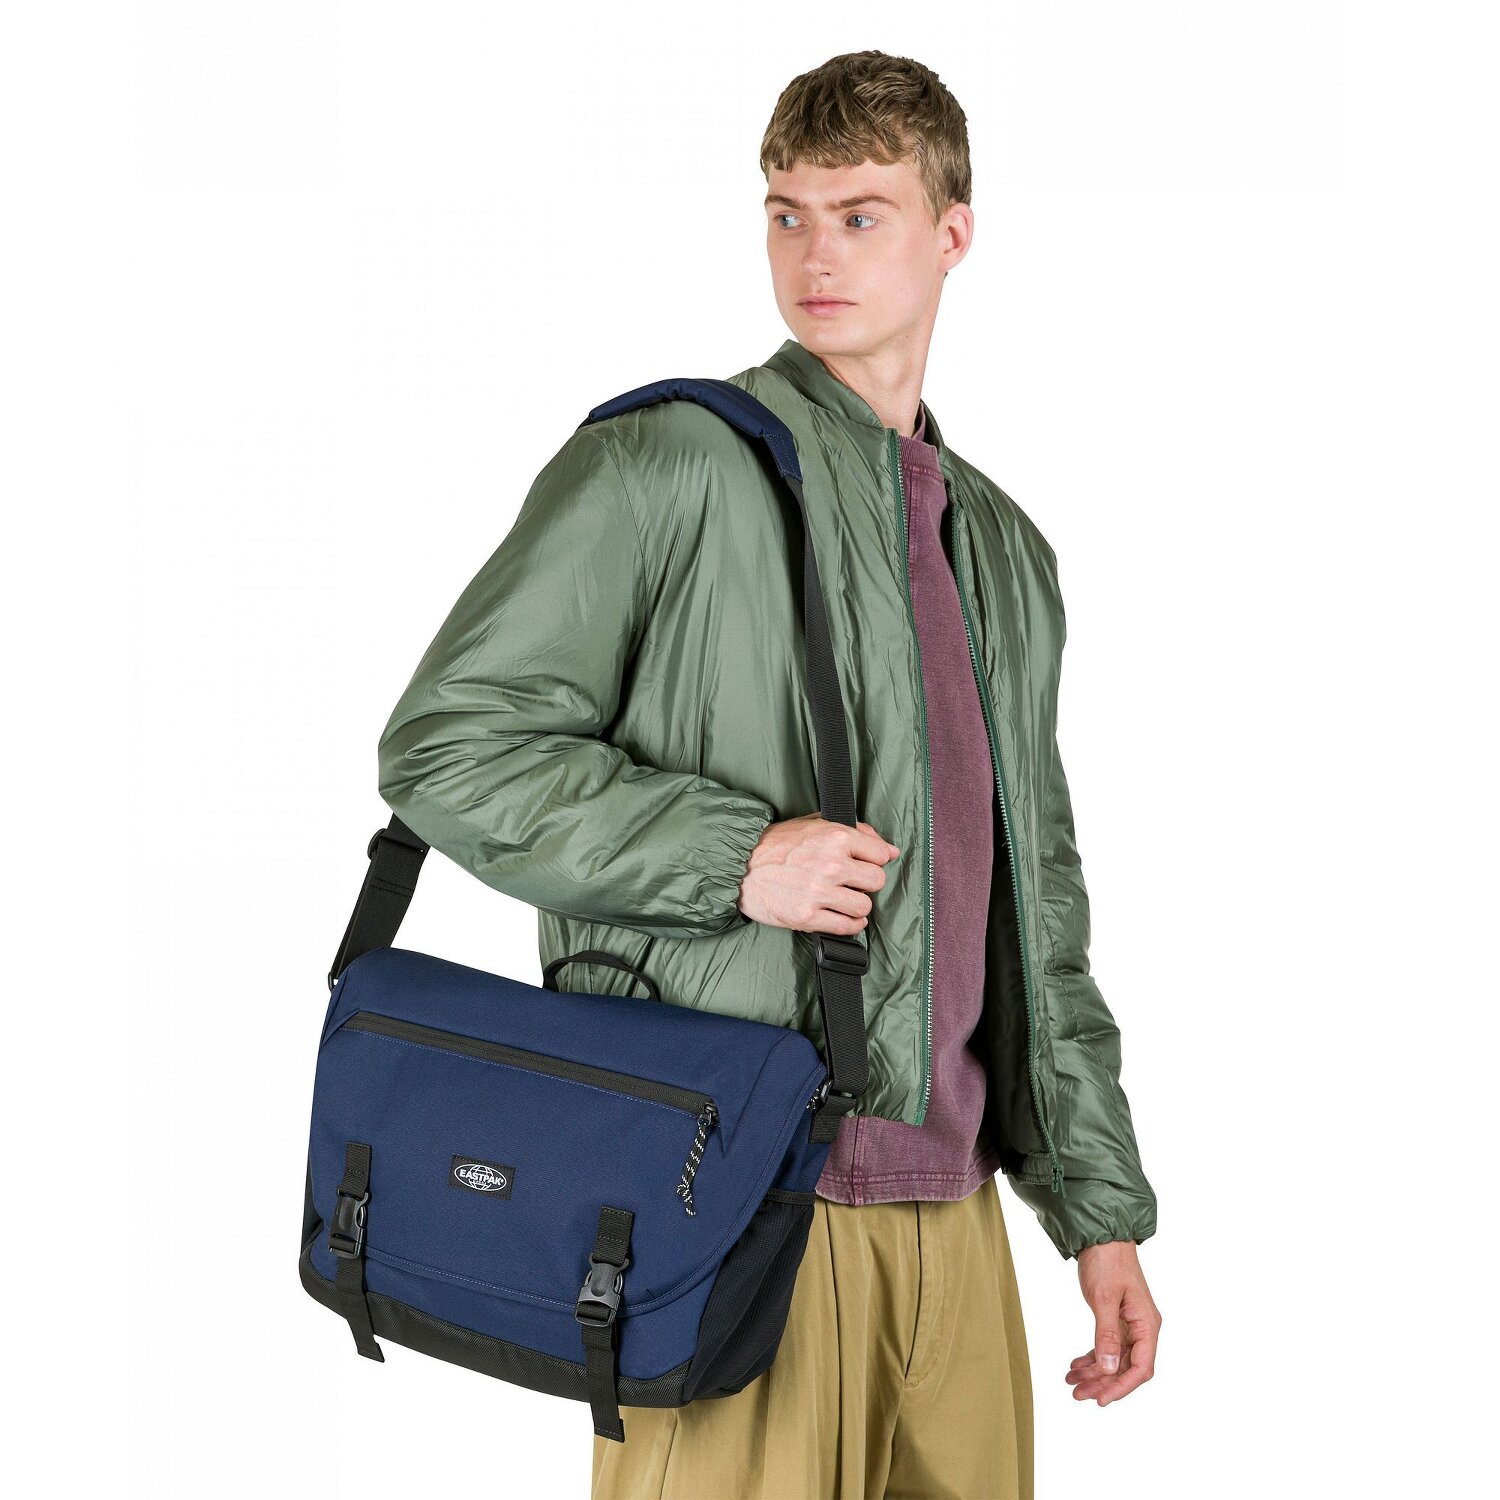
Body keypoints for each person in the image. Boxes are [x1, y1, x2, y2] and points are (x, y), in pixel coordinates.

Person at [377, 48, 1160, 1500]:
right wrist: (733, 857)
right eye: (787, 215)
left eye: (860, 216)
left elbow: (1035, 902)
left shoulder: (1004, 551)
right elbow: (446, 747)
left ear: (952, 232)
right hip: (729, 1203)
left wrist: (1097, 1210)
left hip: (958, 1225)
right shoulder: (664, 465)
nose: (816, 255)